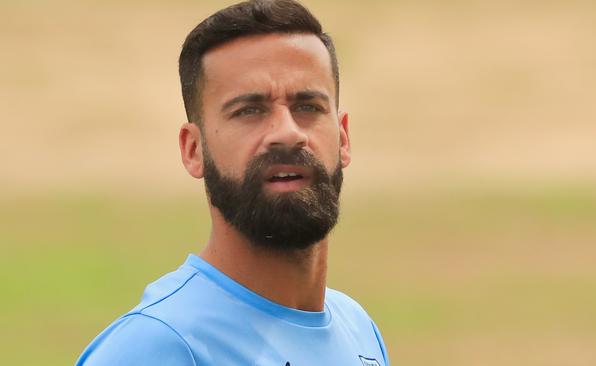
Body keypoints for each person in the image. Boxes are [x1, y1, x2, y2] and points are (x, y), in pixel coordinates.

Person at [76, 0, 389, 365]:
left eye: (308, 107)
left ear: (343, 138)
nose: (287, 133)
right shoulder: (158, 346)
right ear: (193, 150)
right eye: (249, 111)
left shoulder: (357, 329)